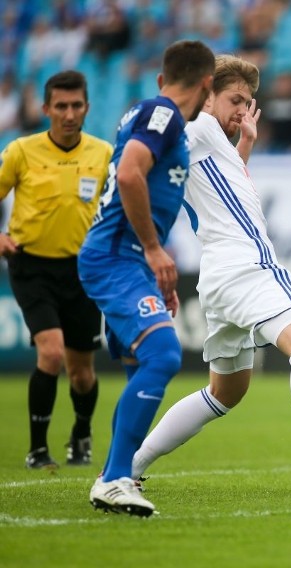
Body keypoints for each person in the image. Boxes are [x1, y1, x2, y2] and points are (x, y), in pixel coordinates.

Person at [130, 55, 291, 483]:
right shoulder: (199, 126)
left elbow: (221, 179)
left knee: (225, 392)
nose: (243, 110)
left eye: (248, 102)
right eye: (235, 99)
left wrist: (243, 144)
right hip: (249, 263)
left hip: (217, 277)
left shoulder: (208, 143)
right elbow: (154, 154)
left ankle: (129, 465)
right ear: (205, 94)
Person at [78, 39, 216, 517]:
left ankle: (112, 476)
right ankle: (117, 478)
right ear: (206, 84)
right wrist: (155, 251)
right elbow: (133, 175)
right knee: (164, 353)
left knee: (143, 365)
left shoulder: (148, 111)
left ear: (162, 77)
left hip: (125, 259)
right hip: (118, 257)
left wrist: (154, 265)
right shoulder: (164, 115)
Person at [0, 70, 112, 470]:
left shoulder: (103, 154)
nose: (68, 114)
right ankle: (37, 449)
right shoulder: (20, 151)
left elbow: (119, 209)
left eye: (76, 105)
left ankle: (81, 432)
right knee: (50, 352)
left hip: (83, 270)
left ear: (87, 107)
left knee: (82, 372)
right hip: (31, 266)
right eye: (60, 106)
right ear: (46, 109)